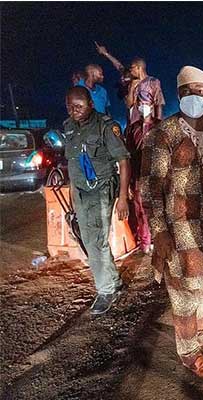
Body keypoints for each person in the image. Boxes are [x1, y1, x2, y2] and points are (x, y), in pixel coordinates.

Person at [139, 66, 203, 380]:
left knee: (202, 286)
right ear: (178, 93)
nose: (196, 96)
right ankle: (189, 352)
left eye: (202, 91)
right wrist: (160, 231)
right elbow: (150, 188)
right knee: (183, 293)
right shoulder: (163, 133)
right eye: (189, 91)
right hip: (179, 229)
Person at [61, 86, 131, 315]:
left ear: (90, 103)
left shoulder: (105, 126)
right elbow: (72, 163)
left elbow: (123, 162)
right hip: (80, 190)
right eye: (70, 106)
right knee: (88, 238)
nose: (74, 110)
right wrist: (72, 194)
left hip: (101, 189)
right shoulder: (68, 127)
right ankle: (112, 280)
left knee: (96, 239)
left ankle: (106, 290)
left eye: (79, 106)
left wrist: (123, 198)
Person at [124, 91, 160, 254]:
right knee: (141, 212)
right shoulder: (132, 129)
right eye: (141, 104)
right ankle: (145, 242)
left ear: (152, 106)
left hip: (157, 178)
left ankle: (158, 240)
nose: (143, 107)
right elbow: (128, 156)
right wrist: (129, 182)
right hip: (139, 177)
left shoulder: (161, 126)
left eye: (146, 104)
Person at [127, 57, 165, 124]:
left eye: (132, 67)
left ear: (139, 68)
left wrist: (158, 122)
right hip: (136, 123)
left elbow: (159, 102)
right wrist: (131, 88)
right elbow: (129, 105)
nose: (130, 70)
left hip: (150, 122)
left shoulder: (153, 82)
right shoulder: (132, 84)